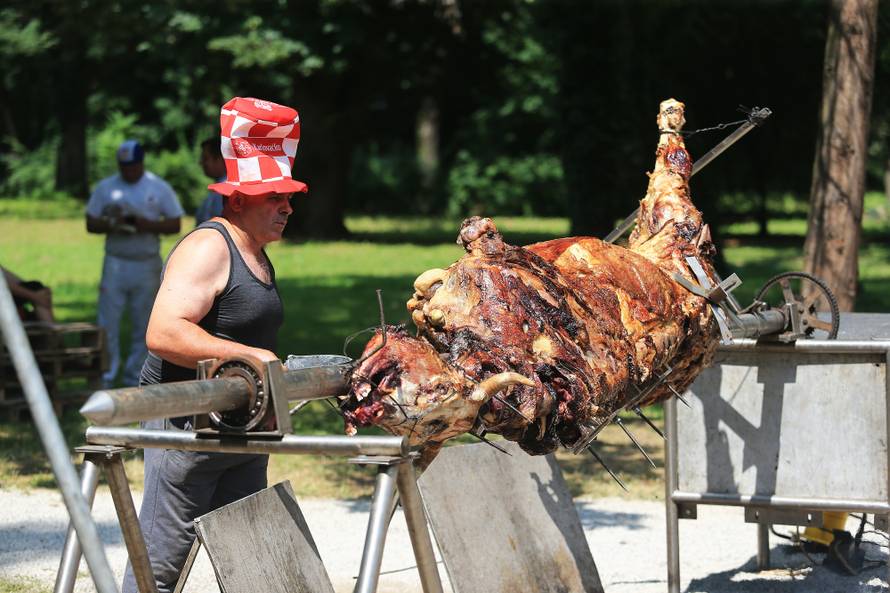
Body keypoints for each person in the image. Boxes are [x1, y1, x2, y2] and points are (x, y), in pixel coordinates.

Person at [122, 97, 308, 593]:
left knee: (250, 557)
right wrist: (248, 357)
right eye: (275, 196)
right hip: (186, 427)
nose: (288, 206)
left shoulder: (256, 252)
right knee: (158, 570)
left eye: (289, 196)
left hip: (240, 427)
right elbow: (162, 332)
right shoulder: (208, 247)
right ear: (239, 200)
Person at [86, 140, 184, 388]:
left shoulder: (157, 187)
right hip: (116, 261)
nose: (128, 171)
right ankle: (107, 376)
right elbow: (91, 222)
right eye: (123, 167)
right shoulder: (107, 187)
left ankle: (135, 375)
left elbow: (175, 223)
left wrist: (145, 224)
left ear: (141, 163)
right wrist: (113, 224)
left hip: (146, 262)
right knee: (108, 320)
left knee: (145, 321)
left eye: (132, 166)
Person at [194, 137, 226, 225]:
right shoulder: (218, 189)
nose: (201, 163)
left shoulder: (225, 192)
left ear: (220, 159)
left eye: (205, 158)